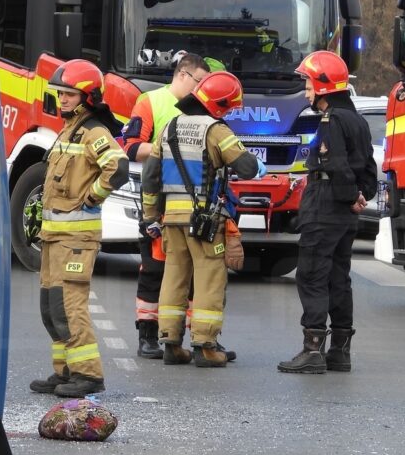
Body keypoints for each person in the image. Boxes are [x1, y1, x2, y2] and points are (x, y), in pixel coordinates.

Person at [140, 71, 260, 367]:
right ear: (221, 105)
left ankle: (170, 342)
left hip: (172, 221)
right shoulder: (216, 130)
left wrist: (151, 216)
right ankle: (205, 346)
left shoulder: (168, 127)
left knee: (174, 277)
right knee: (209, 278)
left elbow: (150, 177)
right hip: (205, 222)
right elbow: (247, 167)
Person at [29, 60, 129, 398]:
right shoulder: (69, 129)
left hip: (76, 239)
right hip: (54, 237)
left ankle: (89, 375)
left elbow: (118, 168)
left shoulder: (94, 132)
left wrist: (92, 198)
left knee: (70, 306)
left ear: (88, 97)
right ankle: (65, 372)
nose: (63, 100)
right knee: (50, 307)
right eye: (61, 94)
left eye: (70, 94)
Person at [277, 51, 377, 374]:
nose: (306, 91)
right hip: (345, 217)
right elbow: (369, 169)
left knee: (312, 275)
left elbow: (335, 164)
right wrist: (361, 196)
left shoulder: (331, 119)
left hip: (326, 208)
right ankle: (340, 351)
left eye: (308, 83)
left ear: (322, 86)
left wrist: (349, 197)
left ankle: (312, 350)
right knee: (338, 279)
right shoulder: (358, 121)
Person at [122, 52, 211, 359]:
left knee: (198, 273)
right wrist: (168, 147)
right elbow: (131, 146)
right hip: (159, 201)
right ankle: (147, 335)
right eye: (199, 82)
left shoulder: (202, 108)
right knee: (154, 270)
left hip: (192, 205)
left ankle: (198, 338)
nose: (202, 89)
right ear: (183, 75)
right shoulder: (151, 102)